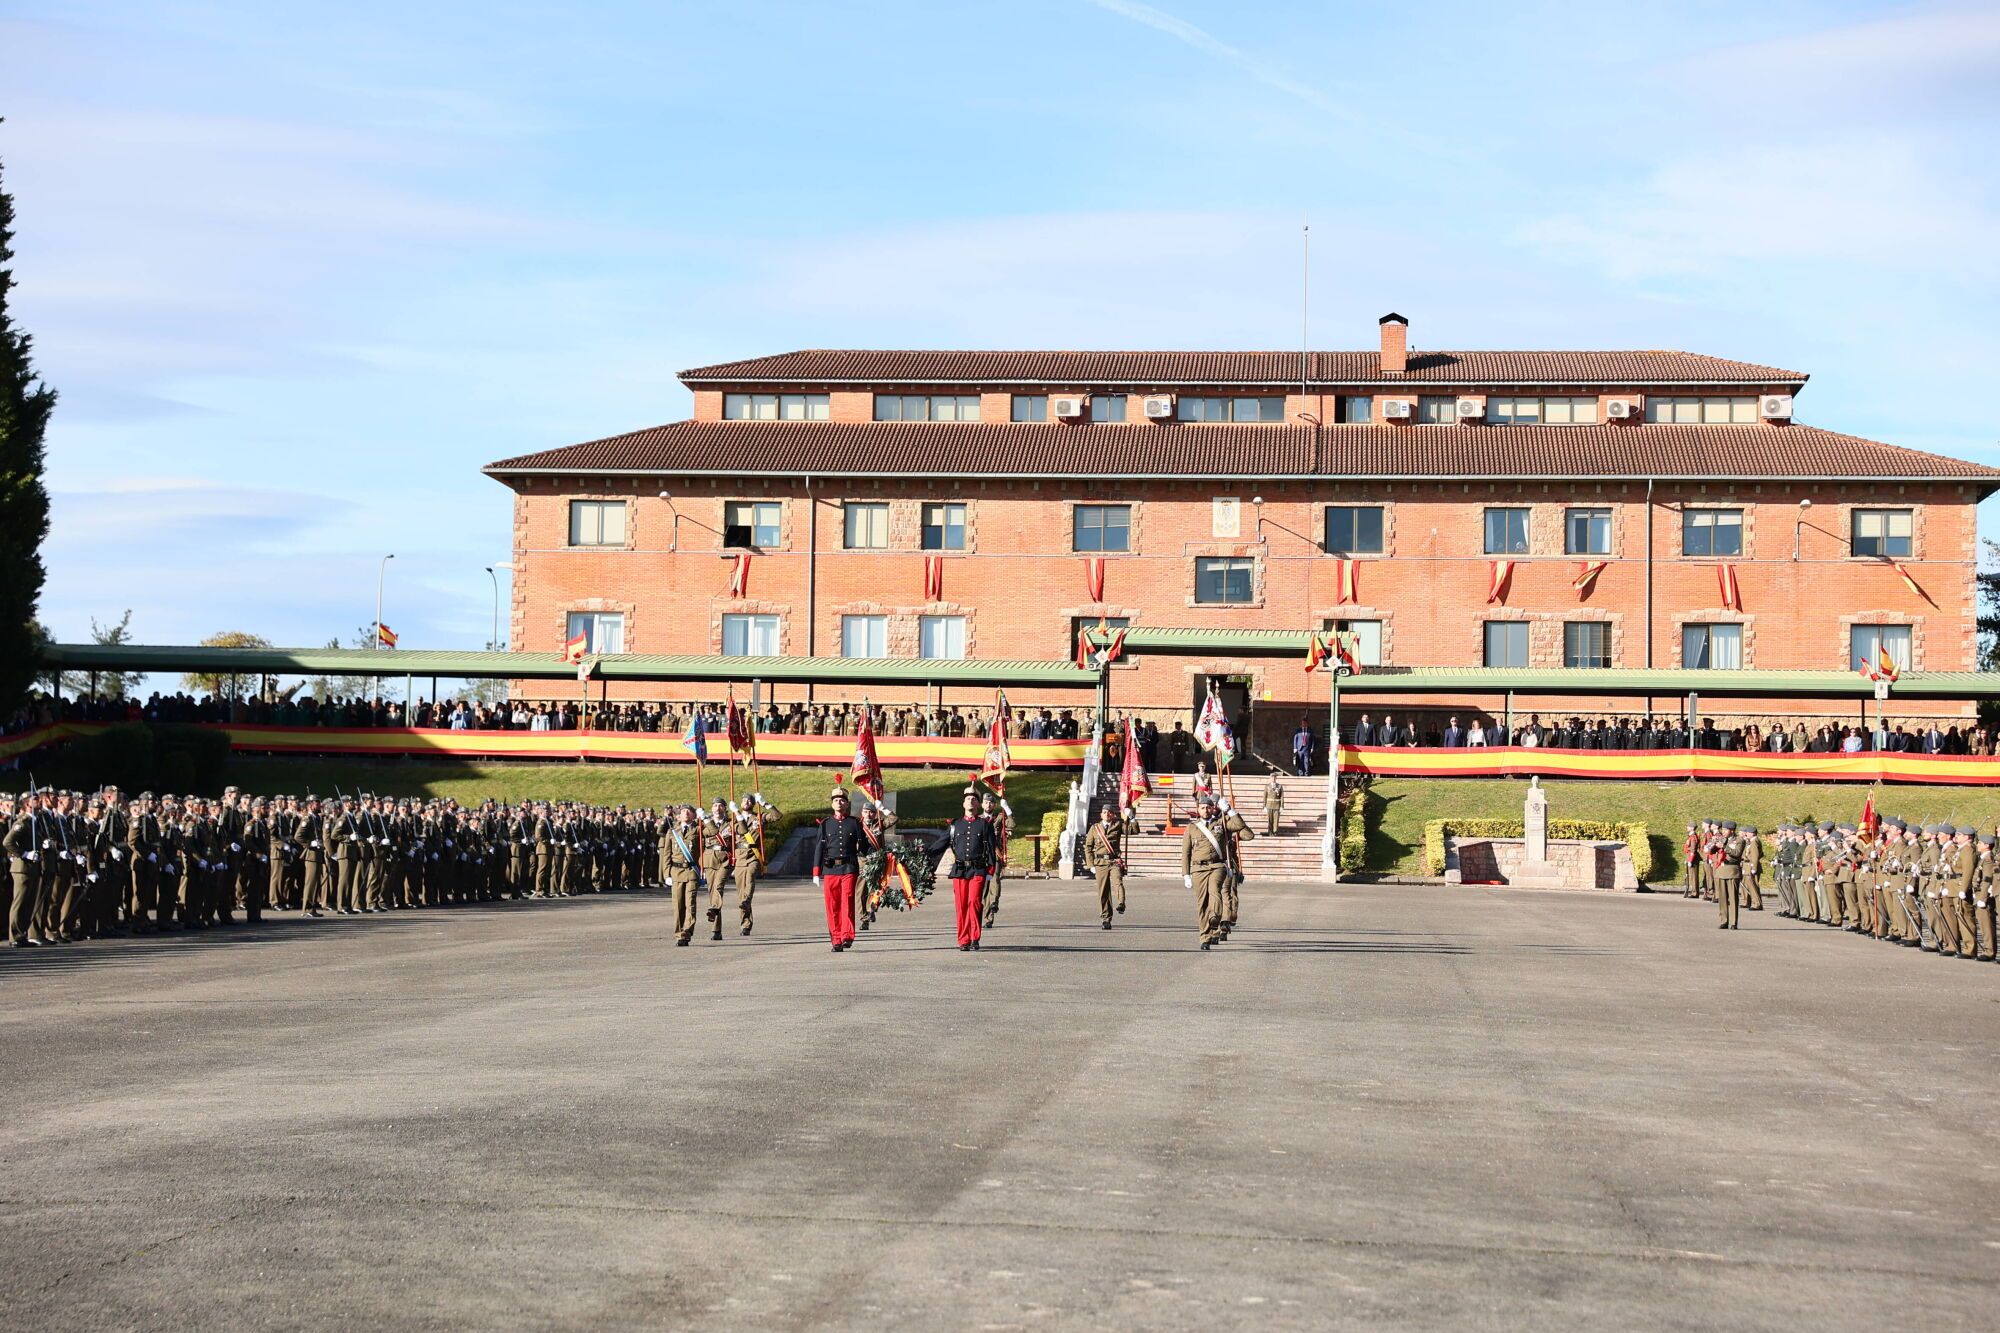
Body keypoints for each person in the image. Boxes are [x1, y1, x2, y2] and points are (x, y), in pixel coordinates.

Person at [1181, 793, 1251, 949]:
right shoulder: (1192, 827)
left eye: (1208, 807)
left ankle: (1216, 917)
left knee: (1215, 892)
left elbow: (1240, 826)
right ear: (1198, 809)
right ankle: (1204, 937)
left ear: (1213, 808)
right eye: (1202, 807)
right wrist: (1186, 874)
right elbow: (1185, 852)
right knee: (1202, 904)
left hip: (1217, 866)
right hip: (1198, 868)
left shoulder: (1222, 823)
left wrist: (1230, 810)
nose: (1205, 810)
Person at [811, 785, 864, 952]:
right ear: (832, 804)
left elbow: (864, 845)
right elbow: (819, 848)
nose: (839, 803)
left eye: (842, 800)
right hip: (830, 869)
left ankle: (847, 936)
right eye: (835, 800)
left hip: (849, 867)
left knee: (847, 901)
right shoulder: (825, 824)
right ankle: (836, 940)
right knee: (832, 905)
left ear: (847, 804)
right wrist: (816, 871)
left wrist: (878, 856)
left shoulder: (854, 823)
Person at [945, 789, 997, 952]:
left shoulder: (984, 825)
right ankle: (964, 940)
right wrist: (923, 852)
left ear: (978, 804)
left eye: (974, 799)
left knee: (974, 903)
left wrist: (990, 870)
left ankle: (975, 937)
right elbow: (941, 843)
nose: (970, 801)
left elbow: (991, 848)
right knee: (961, 906)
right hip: (960, 870)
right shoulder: (955, 825)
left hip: (978, 869)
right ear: (963, 804)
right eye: (968, 799)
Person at [1083, 801, 1135, 929]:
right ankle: (1106, 919)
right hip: (1100, 863)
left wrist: (1132, 817)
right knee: (1103, 892)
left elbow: (1132, 831)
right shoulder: (1095, 828)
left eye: (1110, 812)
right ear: (1101, 814)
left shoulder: (1118, 825)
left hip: (1114, 861)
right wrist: (1091, 865)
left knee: (1118, 882)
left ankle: (1121, 903)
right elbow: (1088, 847)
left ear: (1113, 815)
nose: (1107, 814)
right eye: (1105, 812)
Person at [663, 804, 702, 947]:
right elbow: (666, 854)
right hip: (676, 872)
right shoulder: (672, 832)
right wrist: (666, 873)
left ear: (693, 815)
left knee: (690, 903)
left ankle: (686, 931)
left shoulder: (698, 830)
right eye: (683, 811)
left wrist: (703, 818)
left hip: (691, 872)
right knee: (678, 905)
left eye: (689, 811)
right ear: (679, 815)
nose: (686, 813)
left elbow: (711, 834)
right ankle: (679, 933)